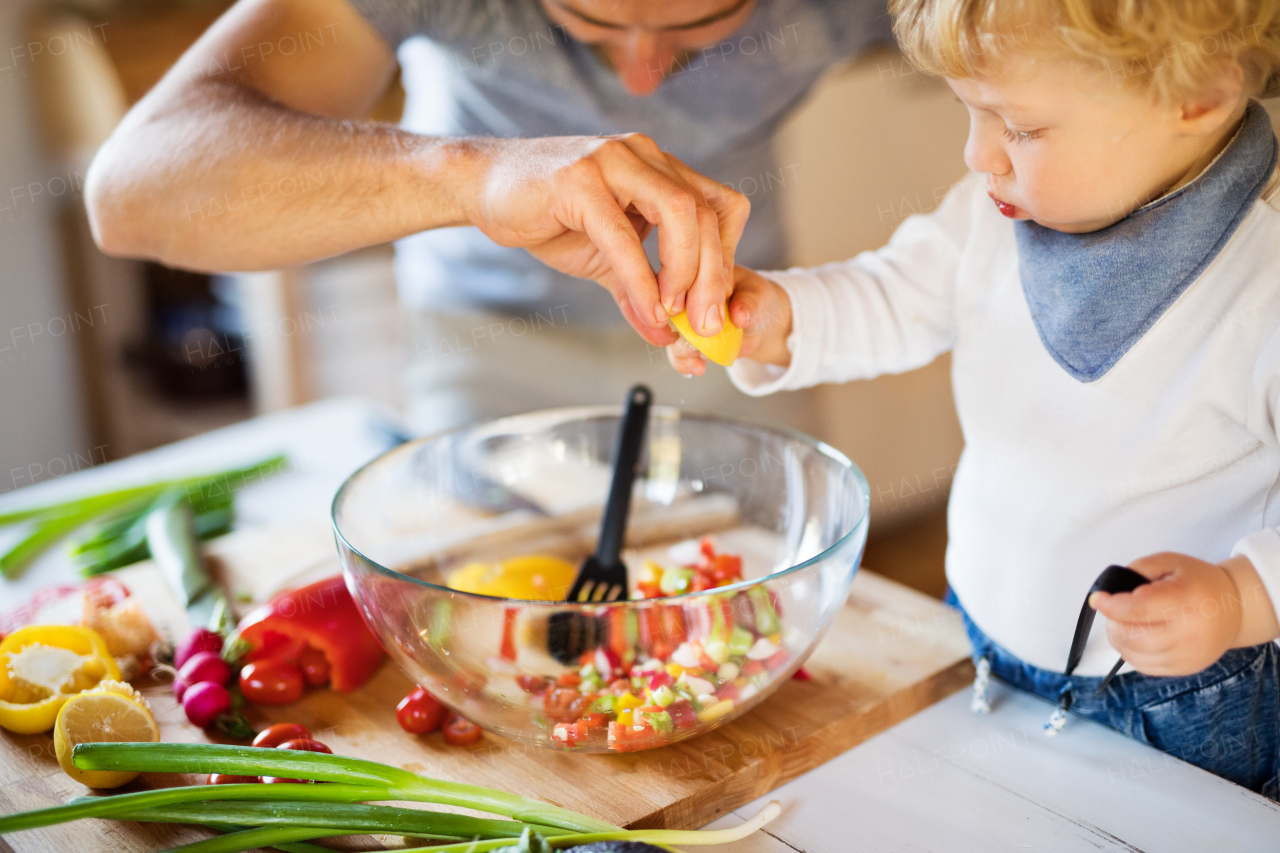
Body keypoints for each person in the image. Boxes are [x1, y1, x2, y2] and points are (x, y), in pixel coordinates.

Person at [663, 0, 1280, 796]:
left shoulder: (1264, 286)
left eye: (1018, 127)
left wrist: (1240, 597)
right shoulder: (989, 217)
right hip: (980, 630)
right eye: (966, 111)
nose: (977, 154)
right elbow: (892, 295)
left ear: (1196, 95)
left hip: (1182, 699)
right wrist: (776, 320)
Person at [85, 0, 893, 433]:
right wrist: (474, 175)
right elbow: (129, 195)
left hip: (740, 343)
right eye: (596, 22)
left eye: (697, 31)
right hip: (486, 350)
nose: (643, 79)